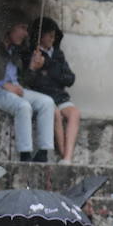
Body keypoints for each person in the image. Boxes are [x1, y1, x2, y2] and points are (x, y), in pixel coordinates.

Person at [0, 19, 55, 162]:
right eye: (22, 27)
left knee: (47, 102)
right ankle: (25, 154)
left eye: (26, 29)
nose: (25, 33)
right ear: (8, 27)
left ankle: (43, 152)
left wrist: (33, 68)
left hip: (16, 90)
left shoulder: (17, 49)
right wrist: (2, 84)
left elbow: (23, 80)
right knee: (23, 106)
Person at [23, 17, 80, 165]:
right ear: (40, 36)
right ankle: (63, 154)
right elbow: (31, 81)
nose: (52, 39)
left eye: (54, 36)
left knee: (74, 113)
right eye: (49, 35)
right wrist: (36, 68)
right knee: (55, 113)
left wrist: (48, 67)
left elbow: (70, 78)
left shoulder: (58, 55)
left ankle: (68, 156)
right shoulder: (31, 54)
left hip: (60, 96)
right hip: (44, 97)